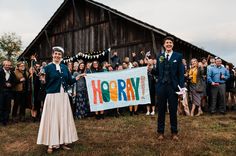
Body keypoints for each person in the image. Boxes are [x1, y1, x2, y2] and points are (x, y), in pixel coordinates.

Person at [37, 46, 85, 154]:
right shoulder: (47, 68)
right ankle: (51, 143)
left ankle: (63, 141)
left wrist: (79, 76)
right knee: (52, 119)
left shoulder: (64, 67)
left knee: (63, 118)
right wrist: (42, 79)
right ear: (52, 55)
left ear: (61, 56)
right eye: (55, 54)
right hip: (52, 96)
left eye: (59, 54)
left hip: (63, 96)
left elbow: (69, 81)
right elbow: (44, 82)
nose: (57, 56)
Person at [155, 36, 184, 141]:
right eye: (167, 42)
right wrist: (149, 68)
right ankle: (160, 132)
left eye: (170, 43)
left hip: (173, 87)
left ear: (173, 45)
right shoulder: (160, 56)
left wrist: (181, 89)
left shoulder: (178, 56)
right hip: (161, 86)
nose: (168, 44)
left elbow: (181, 74)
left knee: (173, 110)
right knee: (161, 110)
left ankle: (174, 132)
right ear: (164, 44)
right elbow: (157, 72)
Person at [0, 60, 16, 126]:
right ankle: (1, 119)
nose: (8, 66)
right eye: (6, 65)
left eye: (9, 65)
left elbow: (14, 81)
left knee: (8, 106)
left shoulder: (12, 73)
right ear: (3, 65)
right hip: (1, 92)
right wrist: (5, 84)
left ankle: (5, 120)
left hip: (9, 92)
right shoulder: (0, 71)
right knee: (1, 106)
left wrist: (11, 84)